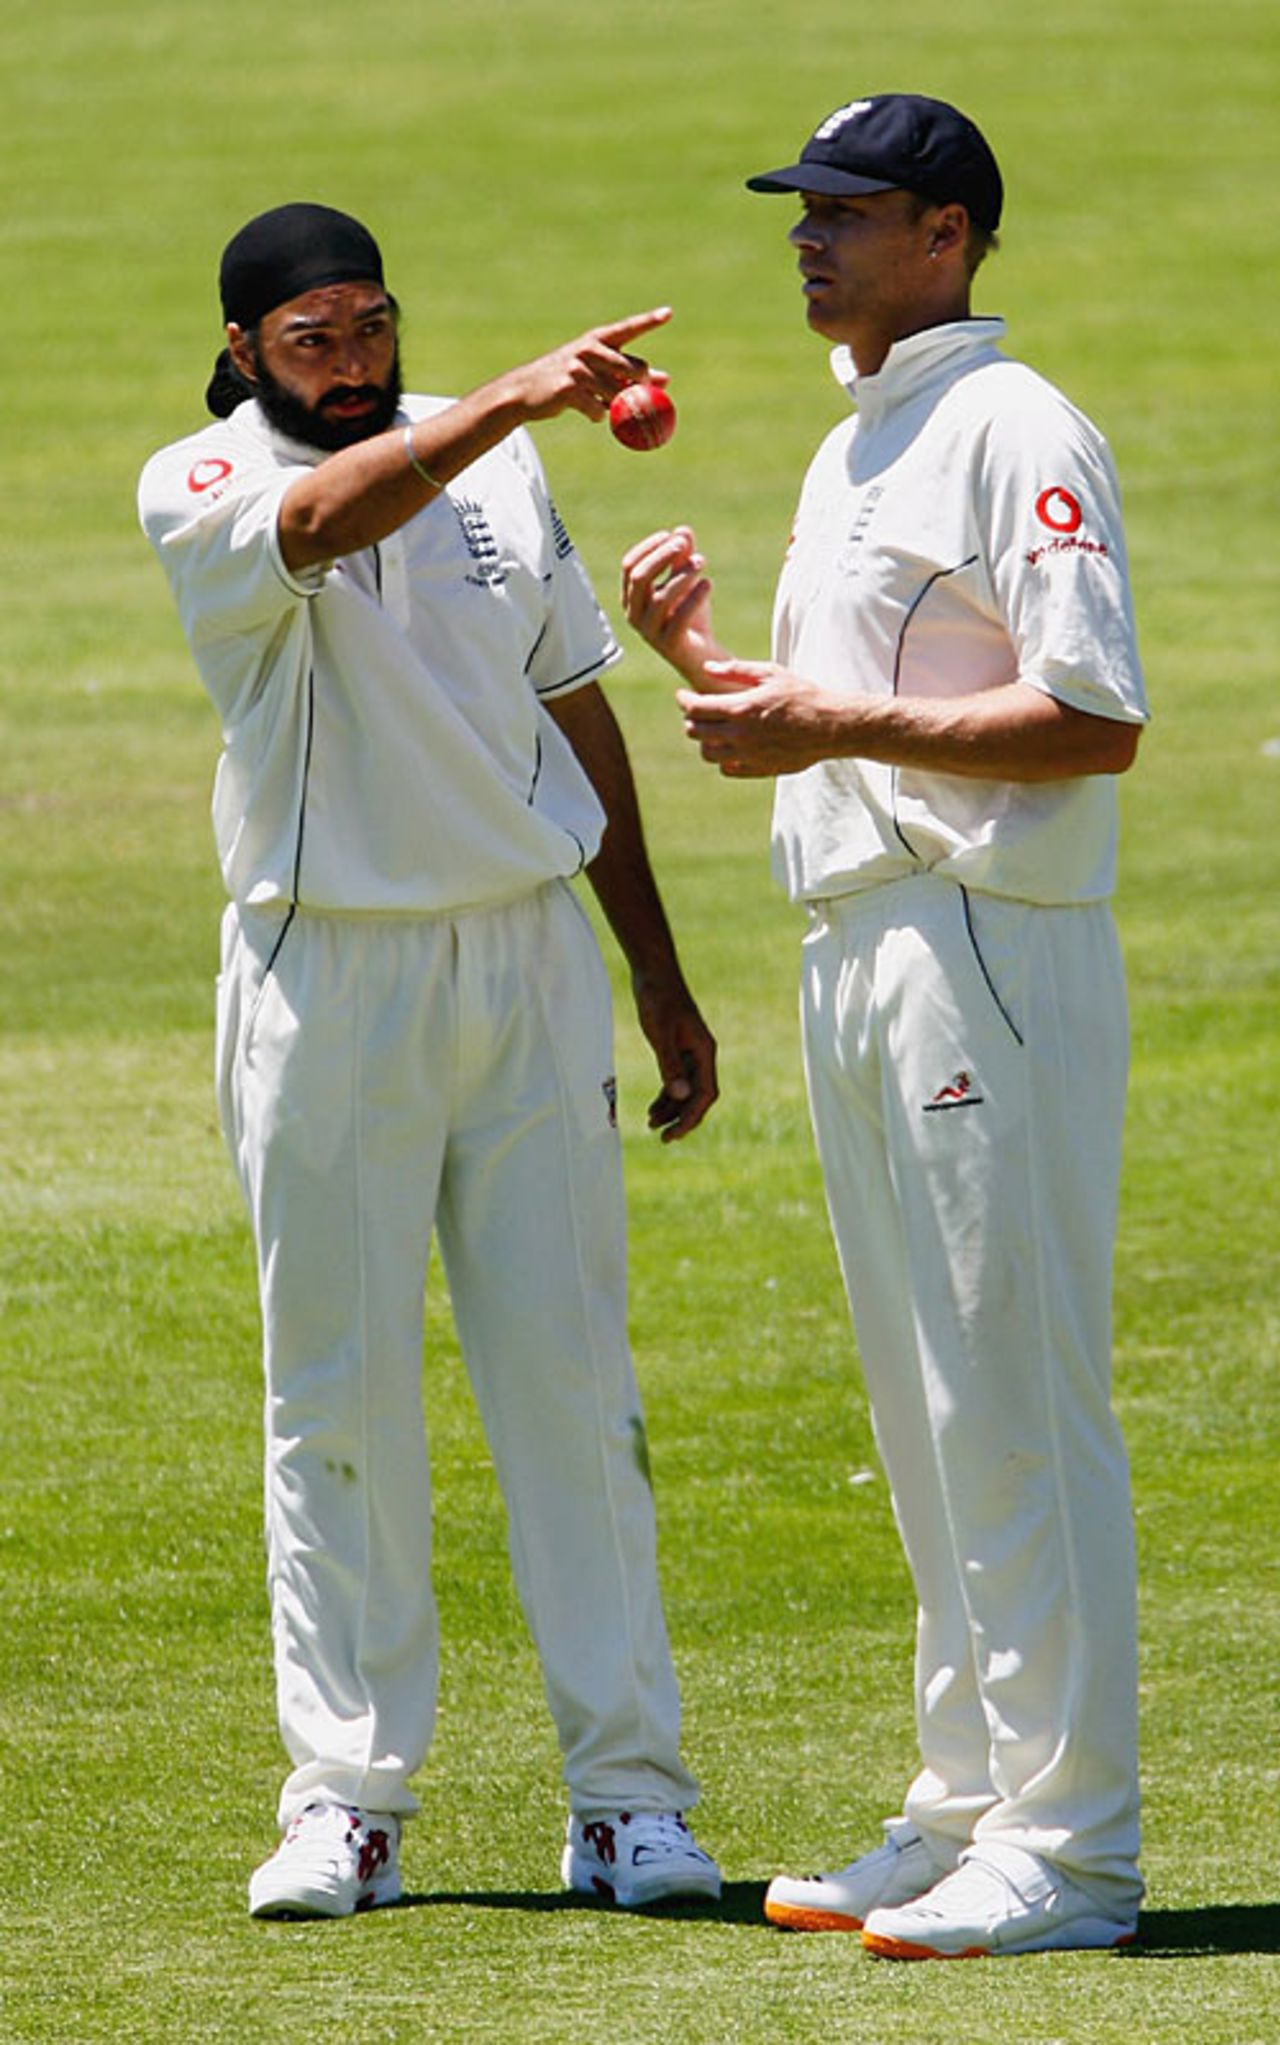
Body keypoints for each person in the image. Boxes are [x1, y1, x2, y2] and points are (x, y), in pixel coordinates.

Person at [138, 202, 722, 1920]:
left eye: (371, 326)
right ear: (247, 350)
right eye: (312, 338)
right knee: (339, 1392)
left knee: (573, 1383)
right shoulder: (204, 480)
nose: (353, 361)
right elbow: (324, 518)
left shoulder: (500, 469)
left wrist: (658, 976)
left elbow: (573, 706)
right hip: (331, 969)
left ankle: (629, 1801)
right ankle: (348, 1802)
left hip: (526, 964)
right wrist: (516, 399)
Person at [621, 94, 1148, 1960]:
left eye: (844, 212)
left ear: (949, 233)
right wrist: (709, 672)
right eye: (801, 213)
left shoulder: (1016, 425)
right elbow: (860, 706)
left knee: (1015, 1393)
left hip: (984, 941)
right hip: (860, 939)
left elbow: (1092, 716)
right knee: (929, 1410)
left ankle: (1075, 1845)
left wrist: (827, 728)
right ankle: (967, 1804)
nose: (808, 240)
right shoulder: (867, 438)